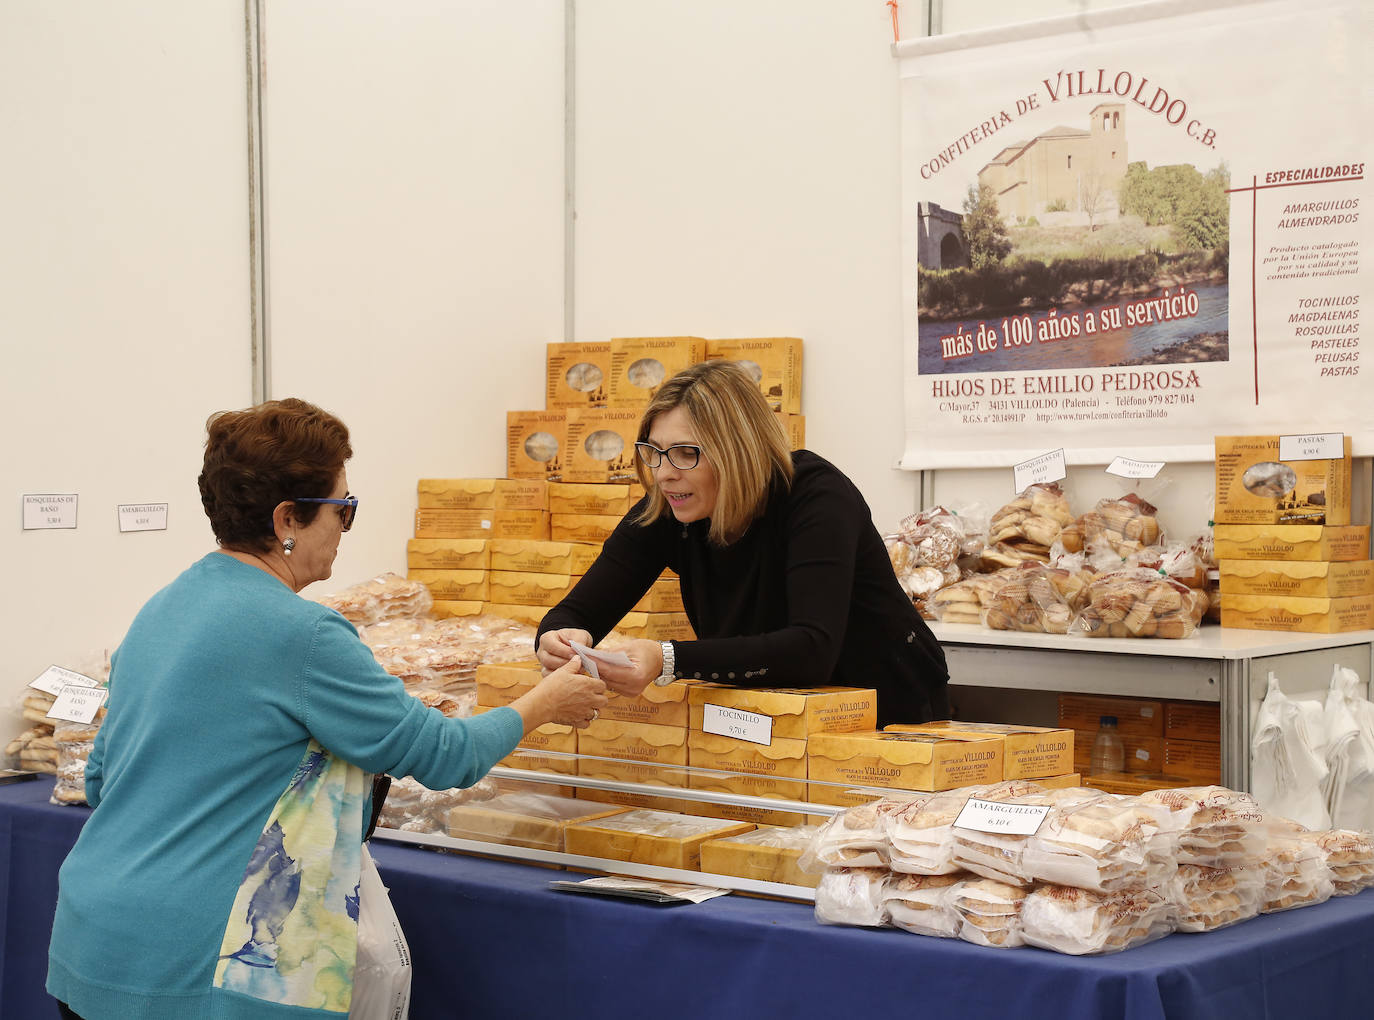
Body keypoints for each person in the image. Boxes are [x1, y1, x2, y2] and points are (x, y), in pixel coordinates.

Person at [47, 398, 606, 1020]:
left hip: (95, 938)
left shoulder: (161, 609)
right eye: (344, 509)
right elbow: (447, 755)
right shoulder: (304, 633)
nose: (345, 526)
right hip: (201, 962)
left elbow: (99, 781)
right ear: (289, 518)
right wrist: (546, 701)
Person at [537, 360, 948, 727]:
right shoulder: (672, 505)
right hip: (772, 711)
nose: (664, 473)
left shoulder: (816, 496)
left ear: (738, 451)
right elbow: (578, 610)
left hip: (884, 712)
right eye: (654, 453)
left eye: (685, 453)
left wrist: (667, 658)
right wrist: (556, 637)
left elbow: (811, 647)